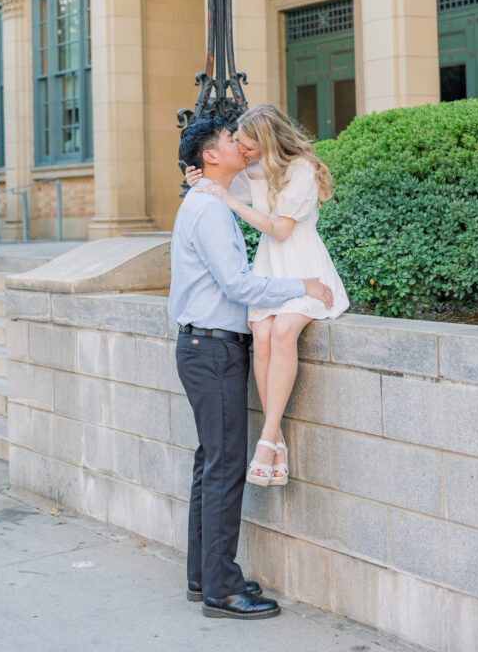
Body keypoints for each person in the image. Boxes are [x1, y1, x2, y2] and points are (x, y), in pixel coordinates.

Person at [170, 115, 333, 620]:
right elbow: (240, 286)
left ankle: (204, 575)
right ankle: (222, 588)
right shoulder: (210, 210)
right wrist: (301, 286)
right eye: (228, 140)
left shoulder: (204, 199)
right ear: (211, 157)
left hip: (203, 346)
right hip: (213, 349)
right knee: (223, 467)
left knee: (210, 462)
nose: (239, 145)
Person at [186, 104, 348, 487]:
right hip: (269, 268)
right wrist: (199, 177)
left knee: (282, 332)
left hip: (304, 266)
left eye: (246, 143)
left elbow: (279, 230)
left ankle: (268, 437)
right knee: (260, 337)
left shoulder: (302, 171)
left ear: (267, 141)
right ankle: (275, 442)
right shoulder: (250, 173)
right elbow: (220, 185)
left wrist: (231, 202)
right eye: (238, 143)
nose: (241, 149)